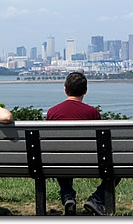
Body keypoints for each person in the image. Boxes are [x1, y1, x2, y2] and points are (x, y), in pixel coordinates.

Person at [46, 71, 120, 216]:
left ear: (65, 89)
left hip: (58, 163)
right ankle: (97, 199)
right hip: (91, 163)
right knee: (120, 165)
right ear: (85, 91)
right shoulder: (92, 113)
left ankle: (68, 196)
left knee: (60, 154)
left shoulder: (52, 113)